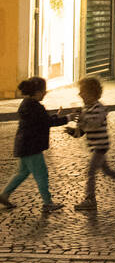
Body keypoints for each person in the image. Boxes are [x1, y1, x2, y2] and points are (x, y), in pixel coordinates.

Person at [69, 76, 115, 213]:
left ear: (92, 94)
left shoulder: (99, 108)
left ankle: (90, 199)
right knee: (108, 171)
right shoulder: (86, 108)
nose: (80, 94)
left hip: (100, 147)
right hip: (95, 146)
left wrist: (82, 119)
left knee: (90, 172)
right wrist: (73, 131)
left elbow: (94, 124)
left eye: (83, 92)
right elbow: (82, 131)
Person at [0, 77, 68, 213]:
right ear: (37, 92)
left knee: (21, 173)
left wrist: (56, 115)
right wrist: (67, 118)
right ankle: (47, 203)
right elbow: (47, 122)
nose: (45, 94)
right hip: (32, 147)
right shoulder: (36, 107)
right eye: (44, 91)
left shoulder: (26, 104)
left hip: (23, 145)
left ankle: (4, 195)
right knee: (41, 174)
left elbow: (43, 121)